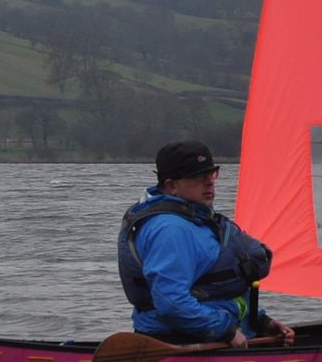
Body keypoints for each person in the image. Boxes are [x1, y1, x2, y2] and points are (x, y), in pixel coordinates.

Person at [117, 140, 294, 347]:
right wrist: (225, 332)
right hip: (178, 341)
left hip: (213, 334)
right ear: (171, 186)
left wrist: (260, 321)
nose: (209, 182)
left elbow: (215, 289)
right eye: (197, 177)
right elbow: (172, 302)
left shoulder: (198, 219)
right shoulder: (171, 230)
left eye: (211, 173)